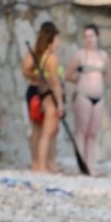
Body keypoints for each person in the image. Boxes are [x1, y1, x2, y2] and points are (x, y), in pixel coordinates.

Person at [66, 24, 109, 175]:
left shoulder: (103, 56)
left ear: (97, 37)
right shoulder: (80, 55)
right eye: (86, 37)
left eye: (92, 36)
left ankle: (90, 165)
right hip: (83, 96)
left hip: (98, 97)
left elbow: (106, 75)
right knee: (81, 131)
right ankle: (81, 165)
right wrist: (82, 80)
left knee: (92, 133)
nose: (89, 40)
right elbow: (68, 74)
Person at [22, 22, 64, 173]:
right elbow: (55, 82)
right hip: (47, 93)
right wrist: (60, 103)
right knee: (48, 131)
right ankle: (42, 166)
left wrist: (36, 76)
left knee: (37, 129)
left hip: (33, 91)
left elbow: (25, 70)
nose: (59, 41)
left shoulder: (34, 51)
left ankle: (38, 164)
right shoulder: (51, 57)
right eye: (57, 37)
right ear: (52, 38)